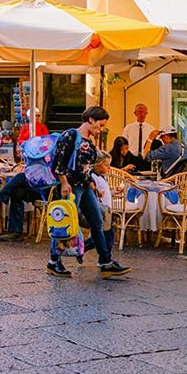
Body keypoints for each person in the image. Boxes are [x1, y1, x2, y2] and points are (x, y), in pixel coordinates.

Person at [46, 107, 130, 279]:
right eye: (99, 125)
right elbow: (59, 162)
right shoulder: (70, 135)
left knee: (97, 221)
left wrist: (91, 184)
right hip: (71, 187)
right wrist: (63, 183)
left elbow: (87, 168)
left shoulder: (90, 141)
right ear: (90, 120)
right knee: (64, 222)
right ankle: (54, 262)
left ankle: (105, 262)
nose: (100, 130)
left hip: (84, 186)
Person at [90, 151, 116, 255]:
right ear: (98, 164)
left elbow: (106, 193)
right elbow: (92, 191)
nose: (108, 168)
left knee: (106, 234)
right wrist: (97, 192)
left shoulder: (102, 177)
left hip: (107, 209)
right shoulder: (93, 177)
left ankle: (105, 256)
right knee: (106, 234)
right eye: (106, 165)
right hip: (101, 209)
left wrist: (114, 192)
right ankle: (106, 256)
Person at [122, 103, 158, 167]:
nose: (142, 114)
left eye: (145, 112)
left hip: (145, 159)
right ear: (135, 113)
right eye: (140, 112)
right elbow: (123, 143)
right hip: (131, 158)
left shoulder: (151, 129)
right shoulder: (128, 128)